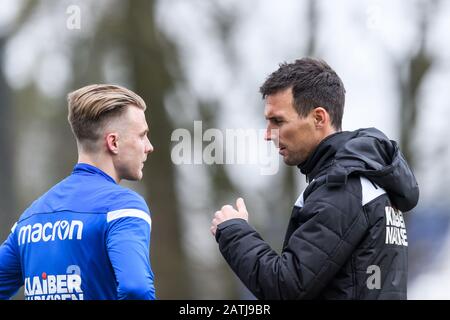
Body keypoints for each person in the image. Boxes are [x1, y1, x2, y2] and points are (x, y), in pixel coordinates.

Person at [210, 58, 419, 299]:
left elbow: (285, 287)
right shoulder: (372, 179)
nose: (268, 135)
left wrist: (235, 232)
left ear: (319, 118)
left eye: (277, 121)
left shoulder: (342, 186)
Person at [0, 84, 156, 300]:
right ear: (113, 142)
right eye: (142, 135)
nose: (149, 146)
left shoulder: (31, 216)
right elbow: (136, 289)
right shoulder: (123, 206)